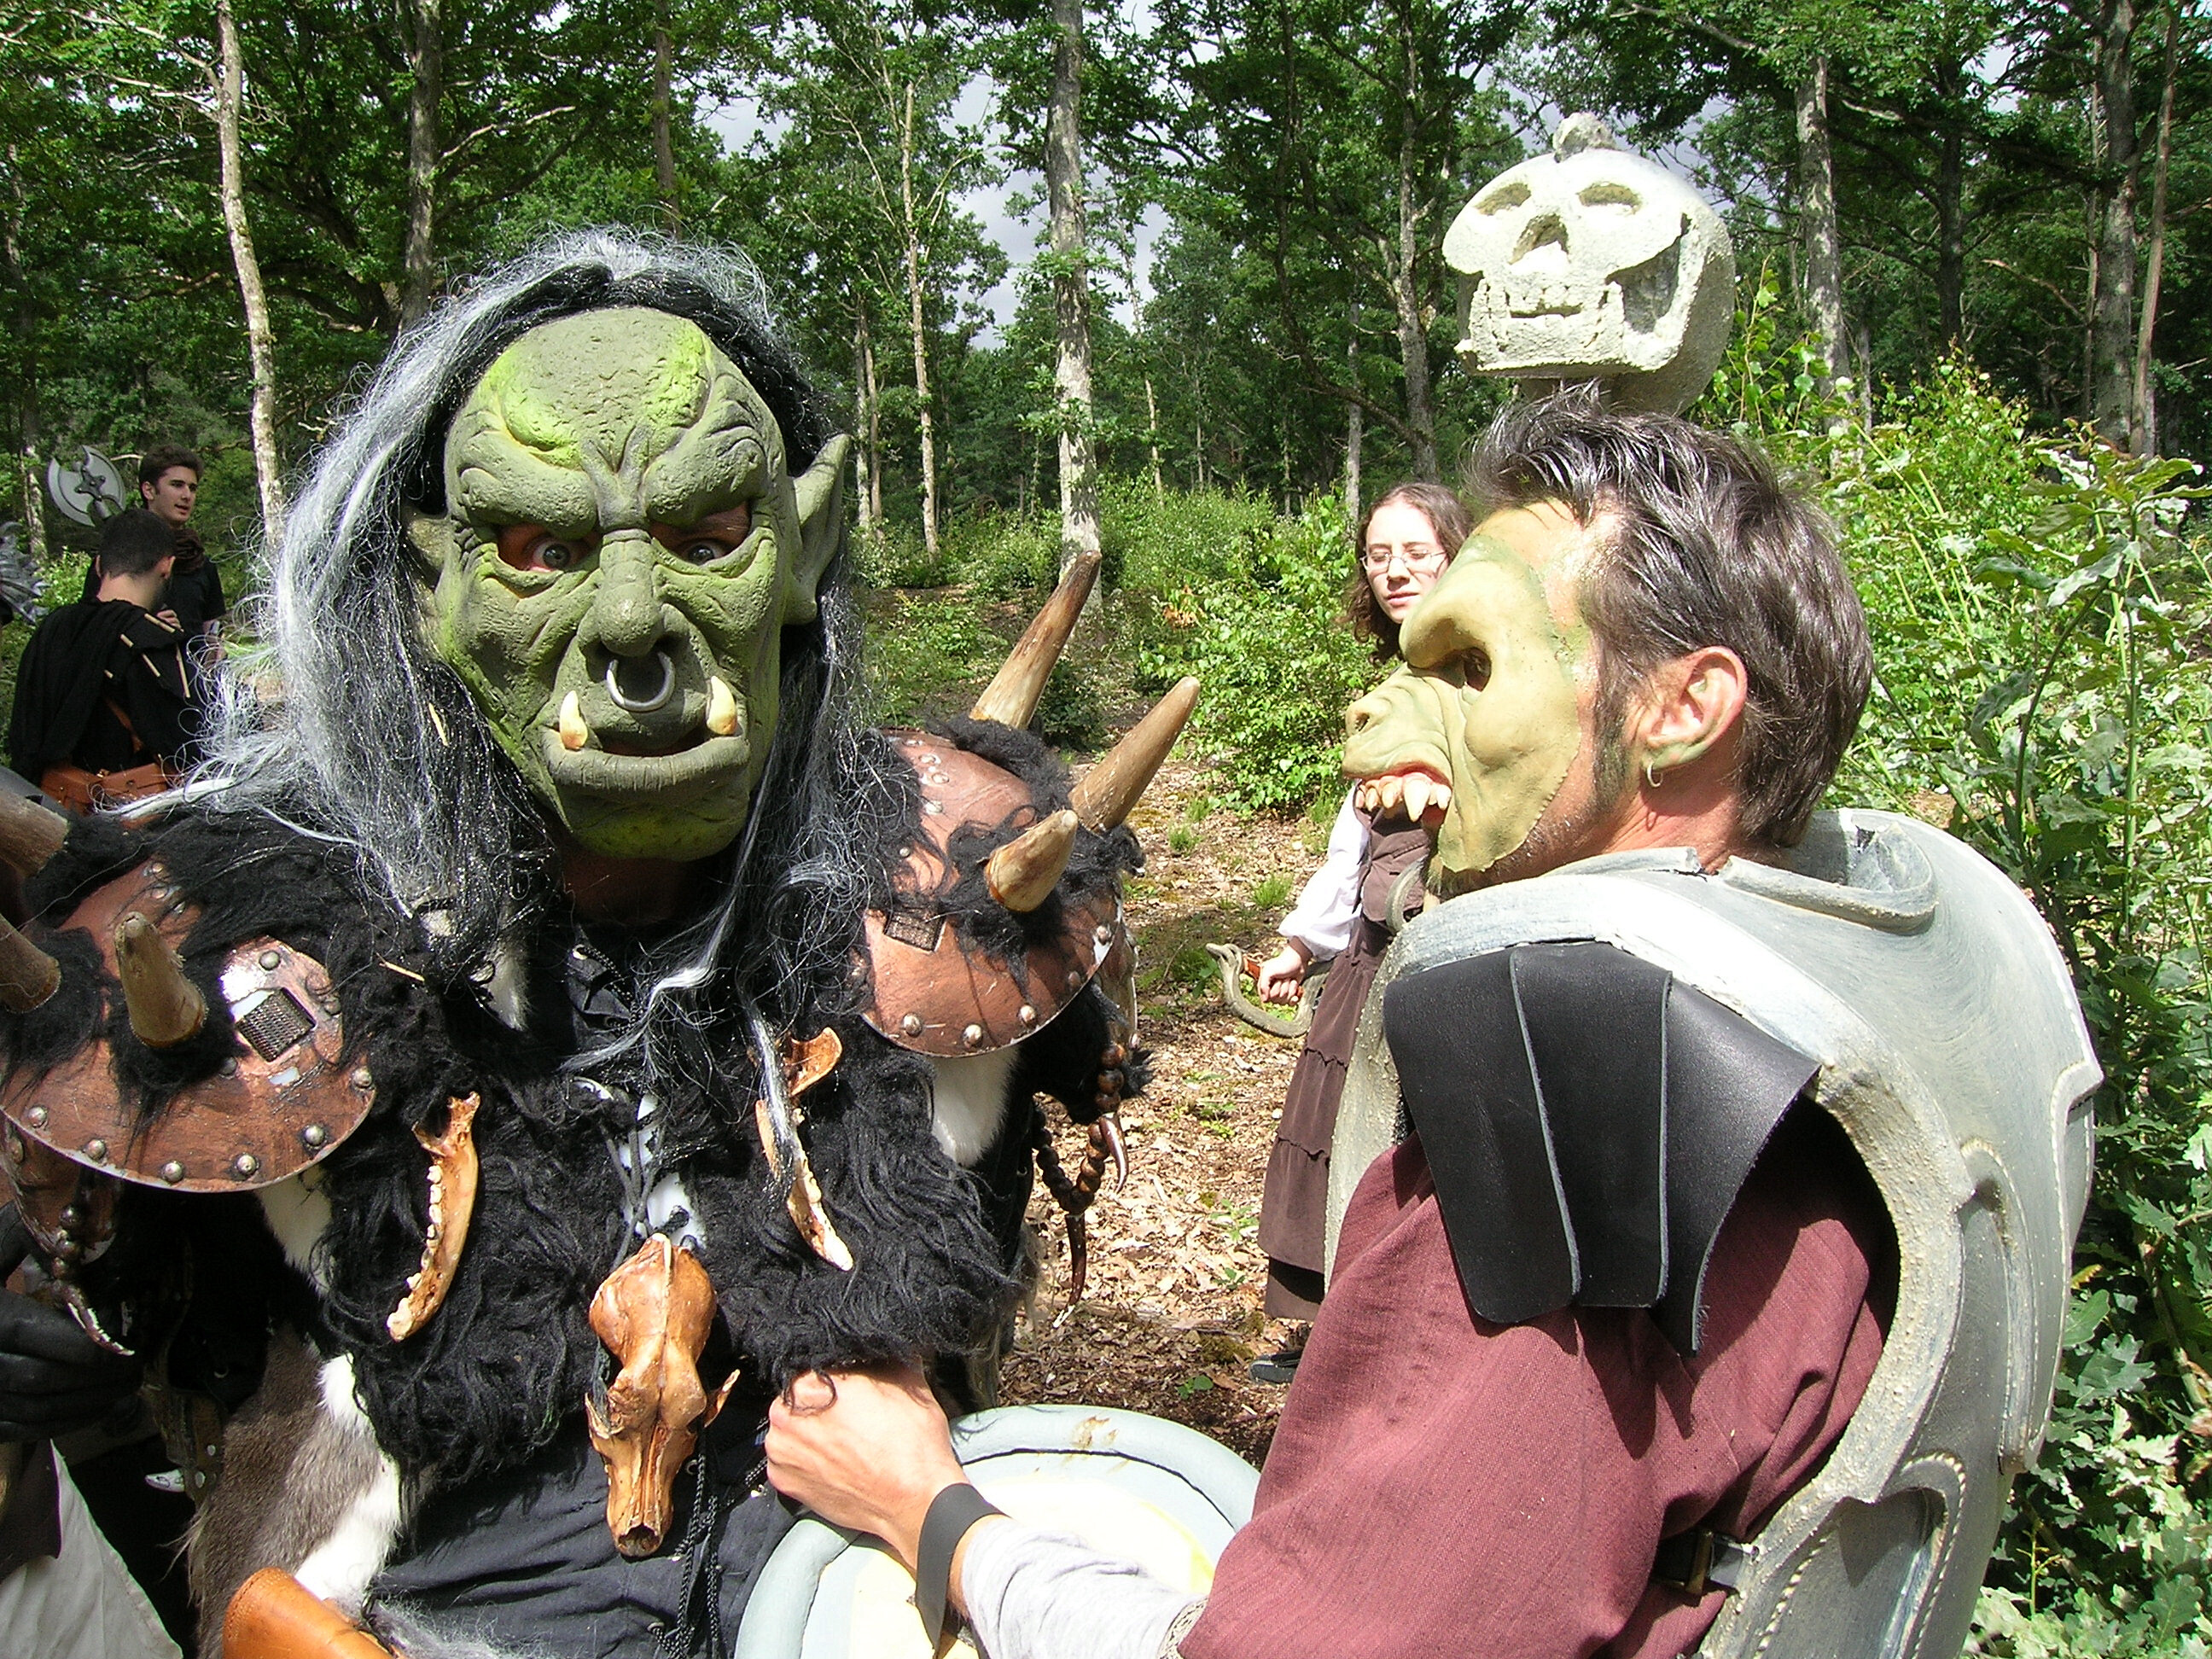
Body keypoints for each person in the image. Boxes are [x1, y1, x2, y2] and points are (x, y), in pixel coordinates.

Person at [0, 236, 1182, 1658]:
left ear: (804, 545)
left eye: (708, 535)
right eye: (539, 551)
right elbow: (119, 1323)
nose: (631, 625)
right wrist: (83, 1321)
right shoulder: (260, 946)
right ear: (436, 589)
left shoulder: (940, 898)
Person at [762, 398, 1895, 1658]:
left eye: (1469, 668)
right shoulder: (1815, 1031)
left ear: (1681, 710)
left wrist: (930, 1511)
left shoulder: (1572, 1167)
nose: (1377, 708)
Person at [1248, 482, 1472, 1346]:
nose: (1395, 571)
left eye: (1416, 553)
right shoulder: (1398, 689)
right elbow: (1356, 844)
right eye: (1379, 556)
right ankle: (1331, 1334)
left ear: (1458, 560)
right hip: (1369, 959)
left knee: (1424, 1156)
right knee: (1339, 1129)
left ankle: (1406, 1341)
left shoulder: (1494, 683)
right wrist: (1301, 945)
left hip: (1452, 967)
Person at [8, 508, 197, 811]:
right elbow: (190, 749)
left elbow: (24, 736)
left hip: (44, 810)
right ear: (167, 566)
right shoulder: (152, 641)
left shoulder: (51, 630)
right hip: (129, 823)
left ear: (98, 566)